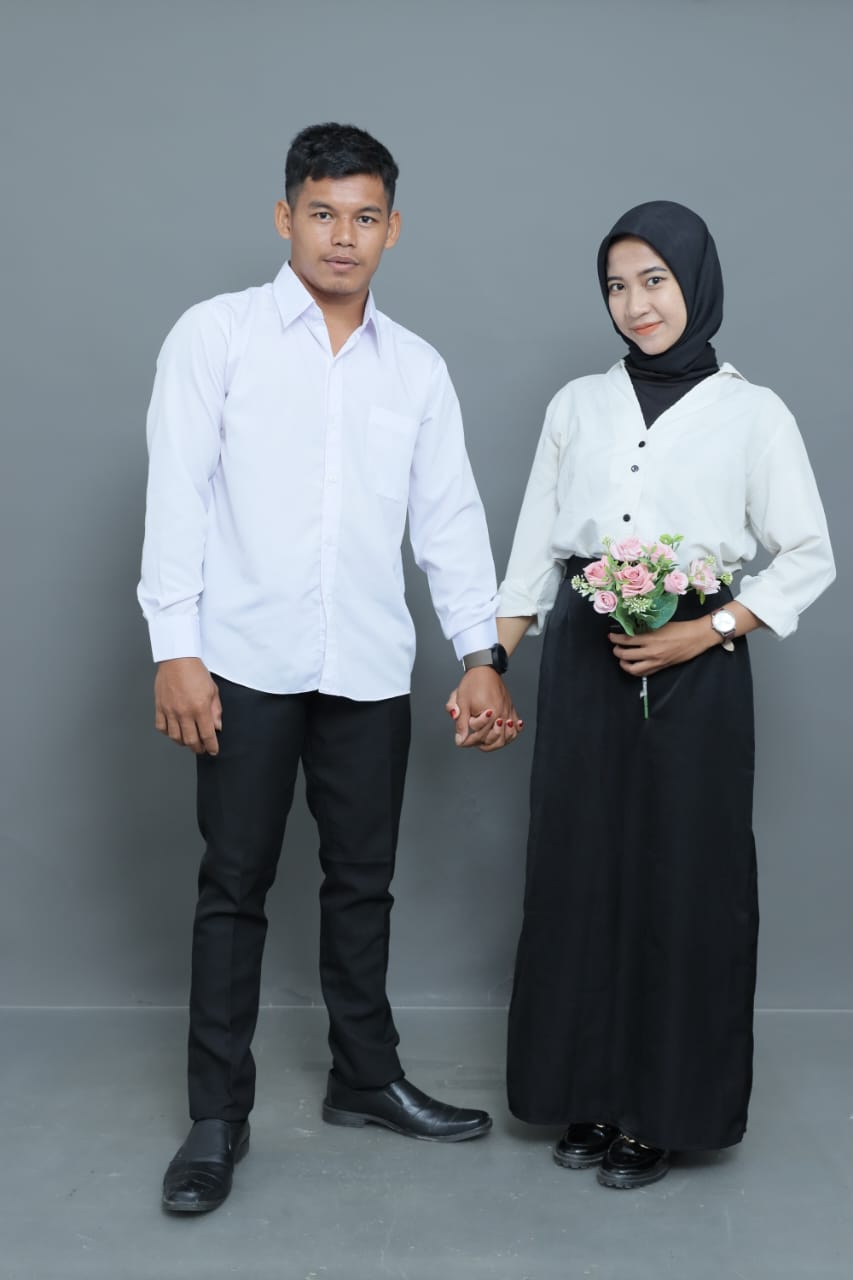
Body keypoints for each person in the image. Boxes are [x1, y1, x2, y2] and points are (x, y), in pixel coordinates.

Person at [138, 122, 520, 1214]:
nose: (341, 236)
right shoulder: (215, 336)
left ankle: (364, 1077)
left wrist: (481, 655)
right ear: (284, 217)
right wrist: (176, 649)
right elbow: (176, 495)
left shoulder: (417, 368)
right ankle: (217, 1115)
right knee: (234, 885)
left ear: (392, 230)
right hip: (241, 664)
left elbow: (449, 523)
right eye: (321, 212)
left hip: (367, 667)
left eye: (363, 217)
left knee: (363, 883)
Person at [488, 201, 834, 1188]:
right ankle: (589, 1091)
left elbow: (807, 554)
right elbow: (533, 549)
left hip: (695, 663)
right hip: (584, 653)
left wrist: (707, 629)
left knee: (684, 876)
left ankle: (662, 1111)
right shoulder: (576, 406)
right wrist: (490, 661)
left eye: (654, 280)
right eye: (616, 285)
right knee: (581, 868)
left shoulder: (754, 414)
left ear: (695, 282)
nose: (635, 303)